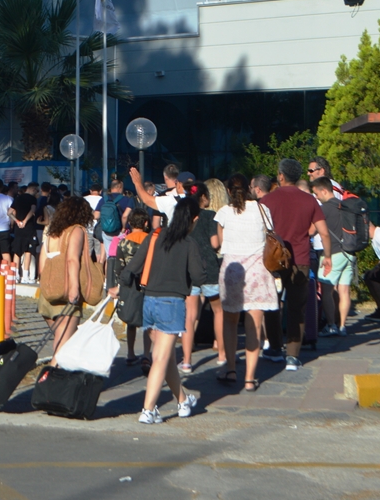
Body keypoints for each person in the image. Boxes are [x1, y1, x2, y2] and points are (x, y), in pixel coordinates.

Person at [112, 196, 203, 425]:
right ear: (193, 219)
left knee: (166, 357)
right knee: (161, 358)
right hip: (172, 304)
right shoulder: (189, 243)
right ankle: (148, 409)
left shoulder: (155, 236)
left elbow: (133, 267)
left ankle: (183, 400)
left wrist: (121, 286)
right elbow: (199, 276)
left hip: (149, 302)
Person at [259, 158, 332, 372]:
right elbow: (324, 232)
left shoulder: (267, 200)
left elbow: (260, 230)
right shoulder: (309, 200)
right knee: (297, 308)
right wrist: (327, 256)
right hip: (300, 260)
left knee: (272, 305)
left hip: (273, 260)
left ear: (281, 176)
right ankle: (292, 355)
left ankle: (274, 348)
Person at [216, 173, 277, 391]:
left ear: (229, 191)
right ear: (249, 189)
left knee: (230, 323)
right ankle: (250, 378)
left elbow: (221, 244)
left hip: (233, 271)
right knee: (255, 326)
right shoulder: (262, 209)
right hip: (258, 271)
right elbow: (270, 234)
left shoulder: (224, 213)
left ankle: (231, 369)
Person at [36, 196, 90, 360]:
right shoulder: (76, 231)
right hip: (65, 294)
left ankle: (65, 371)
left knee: (64, 339)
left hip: (47, 295)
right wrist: (74, 288)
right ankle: (52, 374)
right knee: (62, 347)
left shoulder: (51, 234)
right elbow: (72, 259)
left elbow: (42, 265)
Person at [179, 183, 222, 374]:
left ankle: (187, 361)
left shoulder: (185, 216)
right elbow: (215, 243)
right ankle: (222, 355)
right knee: (218, 312)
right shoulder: (210, 215)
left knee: (190, 315)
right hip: (210, 268)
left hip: (190, 269)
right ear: (204, 197)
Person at [108, 208, 152, 364]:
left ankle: (131, 353)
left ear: (130, 223)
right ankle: (146, 354)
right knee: (147, 321)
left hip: (129, 284)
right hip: (147, 284)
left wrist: (119, 285)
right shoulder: (150, 240)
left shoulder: (123, 242)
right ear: (146, 223)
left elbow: (118, 268)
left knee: (131, 319)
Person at [310, 177, 354, 335]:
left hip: (333, 253)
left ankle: (331, 325)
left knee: (327, 291)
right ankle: (342, 326)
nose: (316, 197)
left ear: (324, 191)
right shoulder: (345, 207)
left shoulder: (324, 209)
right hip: (349, 253)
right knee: (344, 291)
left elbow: (311, 231)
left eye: (316, 194)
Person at [98, 179, 135, 257]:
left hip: (106, 231)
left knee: (109, 255)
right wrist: (124, 228)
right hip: (120, 231)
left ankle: (109, 264)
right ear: (120, 188)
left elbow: (96, 215)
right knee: (121, 255)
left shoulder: (104, 199)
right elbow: (125, 216)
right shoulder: (127, 200)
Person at [10, 184, 38, 282]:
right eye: (36, 190)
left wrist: (17, 221)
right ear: (32, 189)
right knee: (28, 251)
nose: (37, 192)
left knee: (17, 251)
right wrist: (25, 221)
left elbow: (9, 212)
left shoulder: (17, 198)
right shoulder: (32, 199)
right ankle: (25, 275)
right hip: (29, 227)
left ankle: (16, 274)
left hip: (18, 228)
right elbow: (33, 210)